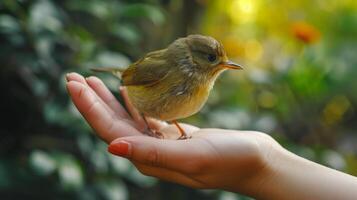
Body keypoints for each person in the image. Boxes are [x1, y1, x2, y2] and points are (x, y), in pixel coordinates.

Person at [66, 72, 357, 199]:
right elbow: (131, 79)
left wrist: (265, 163)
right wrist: (146, 124)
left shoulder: (201, 86)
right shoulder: (169, 71)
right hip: (145, 102)